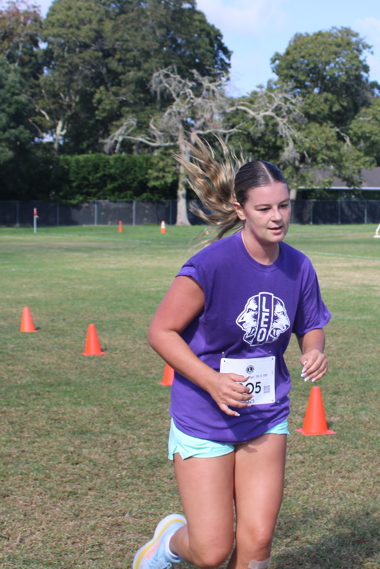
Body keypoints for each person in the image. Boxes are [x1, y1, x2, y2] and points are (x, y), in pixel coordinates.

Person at [134, 138, 331, 569]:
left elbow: (310, 324)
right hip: (205, 416)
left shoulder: (299, 266)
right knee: (211, 552)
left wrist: (314, 350)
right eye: (264, 208)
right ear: (241, 210)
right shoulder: (211, 265)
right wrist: (212, 381)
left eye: (283, 206)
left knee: (258, 541)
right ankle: (168, 543)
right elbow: (161, 331)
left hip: (265, 414)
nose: (277, 217)